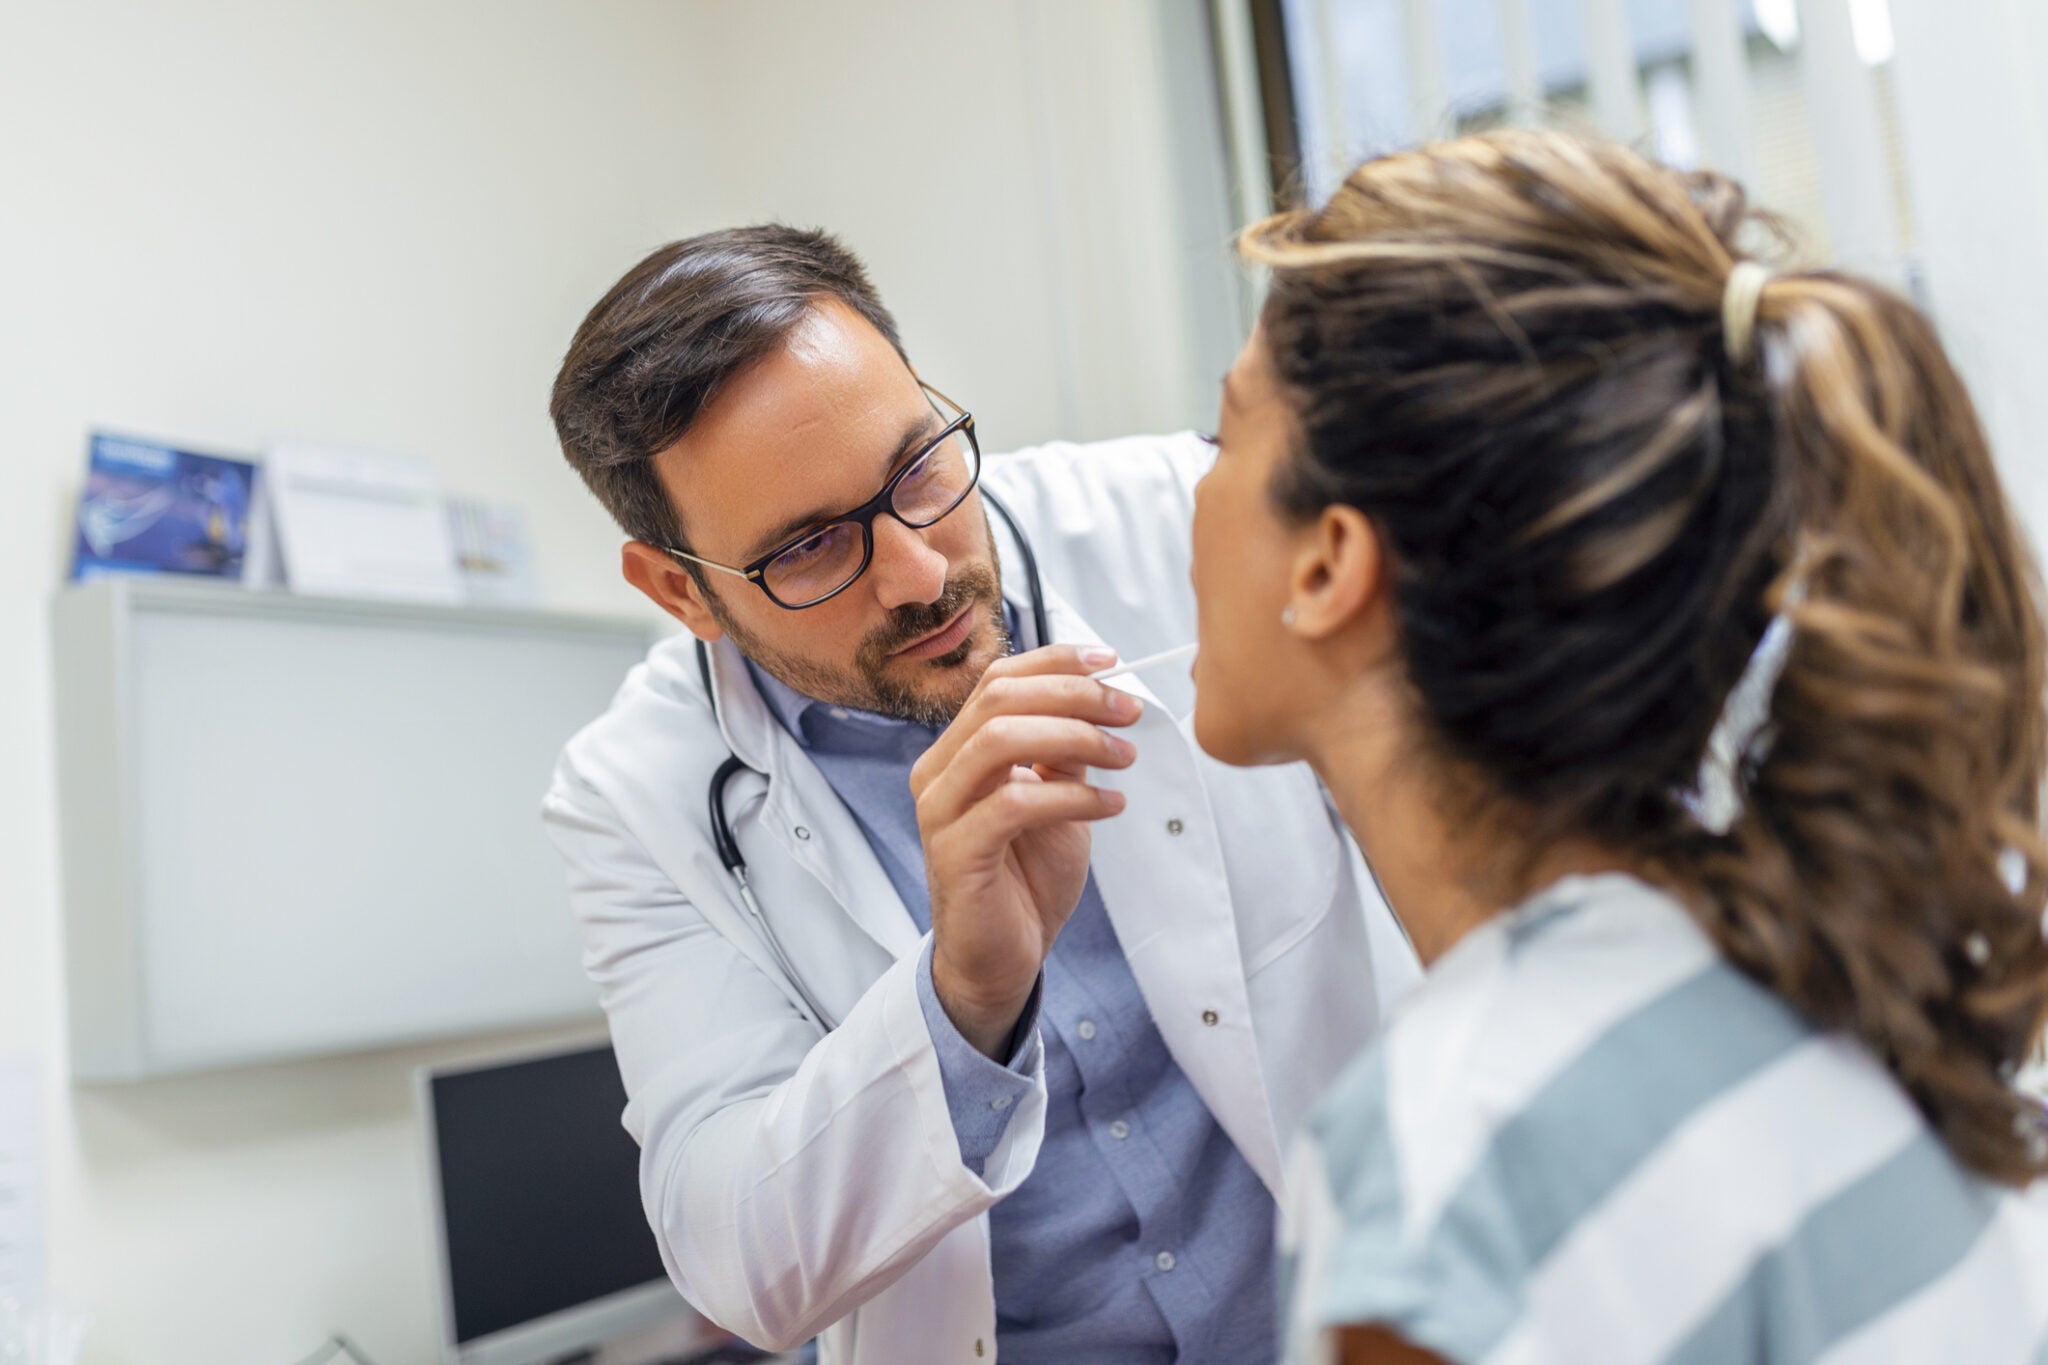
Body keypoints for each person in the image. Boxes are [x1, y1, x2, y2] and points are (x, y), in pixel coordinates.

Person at [1185, 128, 2048, 1364]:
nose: (1192, 495)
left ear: (1328, 561)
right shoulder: (1815, 965)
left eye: (1222, 437)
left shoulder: (1461, 1148)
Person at [541, 226, 1414, 1364]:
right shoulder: (632, 796)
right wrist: (964, 994)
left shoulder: (1177, 515)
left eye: (916, 470)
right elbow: (741, 1264)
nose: (919, 573)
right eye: (807, 549)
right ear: (679, 589)